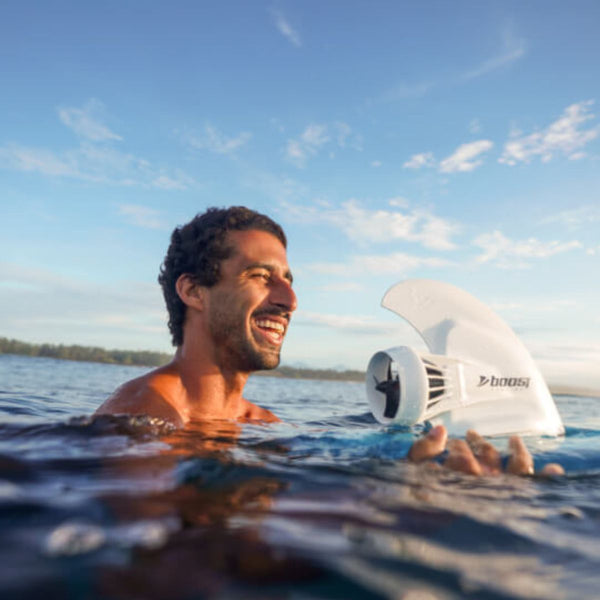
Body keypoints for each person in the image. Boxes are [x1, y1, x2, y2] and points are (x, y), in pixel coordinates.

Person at [96, 206, 562, 476]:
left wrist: (422, 483)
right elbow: (162, 569)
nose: (290, 300)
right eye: (261, 276)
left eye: (289, 281)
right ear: (193, 291)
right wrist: (396, 508)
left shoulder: (262, 424)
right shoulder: (141, 417)